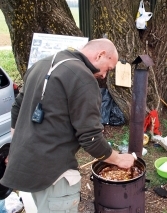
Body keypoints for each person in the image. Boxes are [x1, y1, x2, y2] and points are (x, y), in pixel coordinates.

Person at [0, 38, 135, 212]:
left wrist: (19, 144)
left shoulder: (43, 63)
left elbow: (17, 107)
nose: (104, 75)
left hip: (27, 168)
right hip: (52, 174)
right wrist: (119, 159)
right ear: (100, 54)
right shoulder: (84, 79)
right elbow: (91, 138)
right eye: (108, 69)